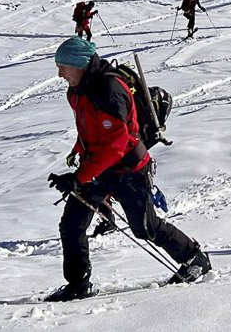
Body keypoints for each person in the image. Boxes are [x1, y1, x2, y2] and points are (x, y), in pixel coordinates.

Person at [45, 37, 211, 301]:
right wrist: (78, 151)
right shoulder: (76, 92)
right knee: (72, 223)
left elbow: (117, 144)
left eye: (63, 66)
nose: (59, 73)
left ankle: (195, 259)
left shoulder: (109, 89)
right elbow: (90, 129)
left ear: (80, 63)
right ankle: (78, 285)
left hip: (129, 171)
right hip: (98, 168)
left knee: (145, 227)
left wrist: (79, 177)